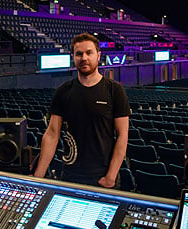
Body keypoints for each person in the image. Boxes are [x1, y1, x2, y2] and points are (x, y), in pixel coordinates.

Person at [34, 33, 130, 188]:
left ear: (98, 55)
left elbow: (122, 136)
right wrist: (38, 175)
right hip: (70, 176)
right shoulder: (63, 91)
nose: (84, 58)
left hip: (102, 177)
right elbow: (52, 134)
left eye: (89, 53)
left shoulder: (114, 90)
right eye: (79, 54)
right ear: (74, 57)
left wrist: (110, 177)